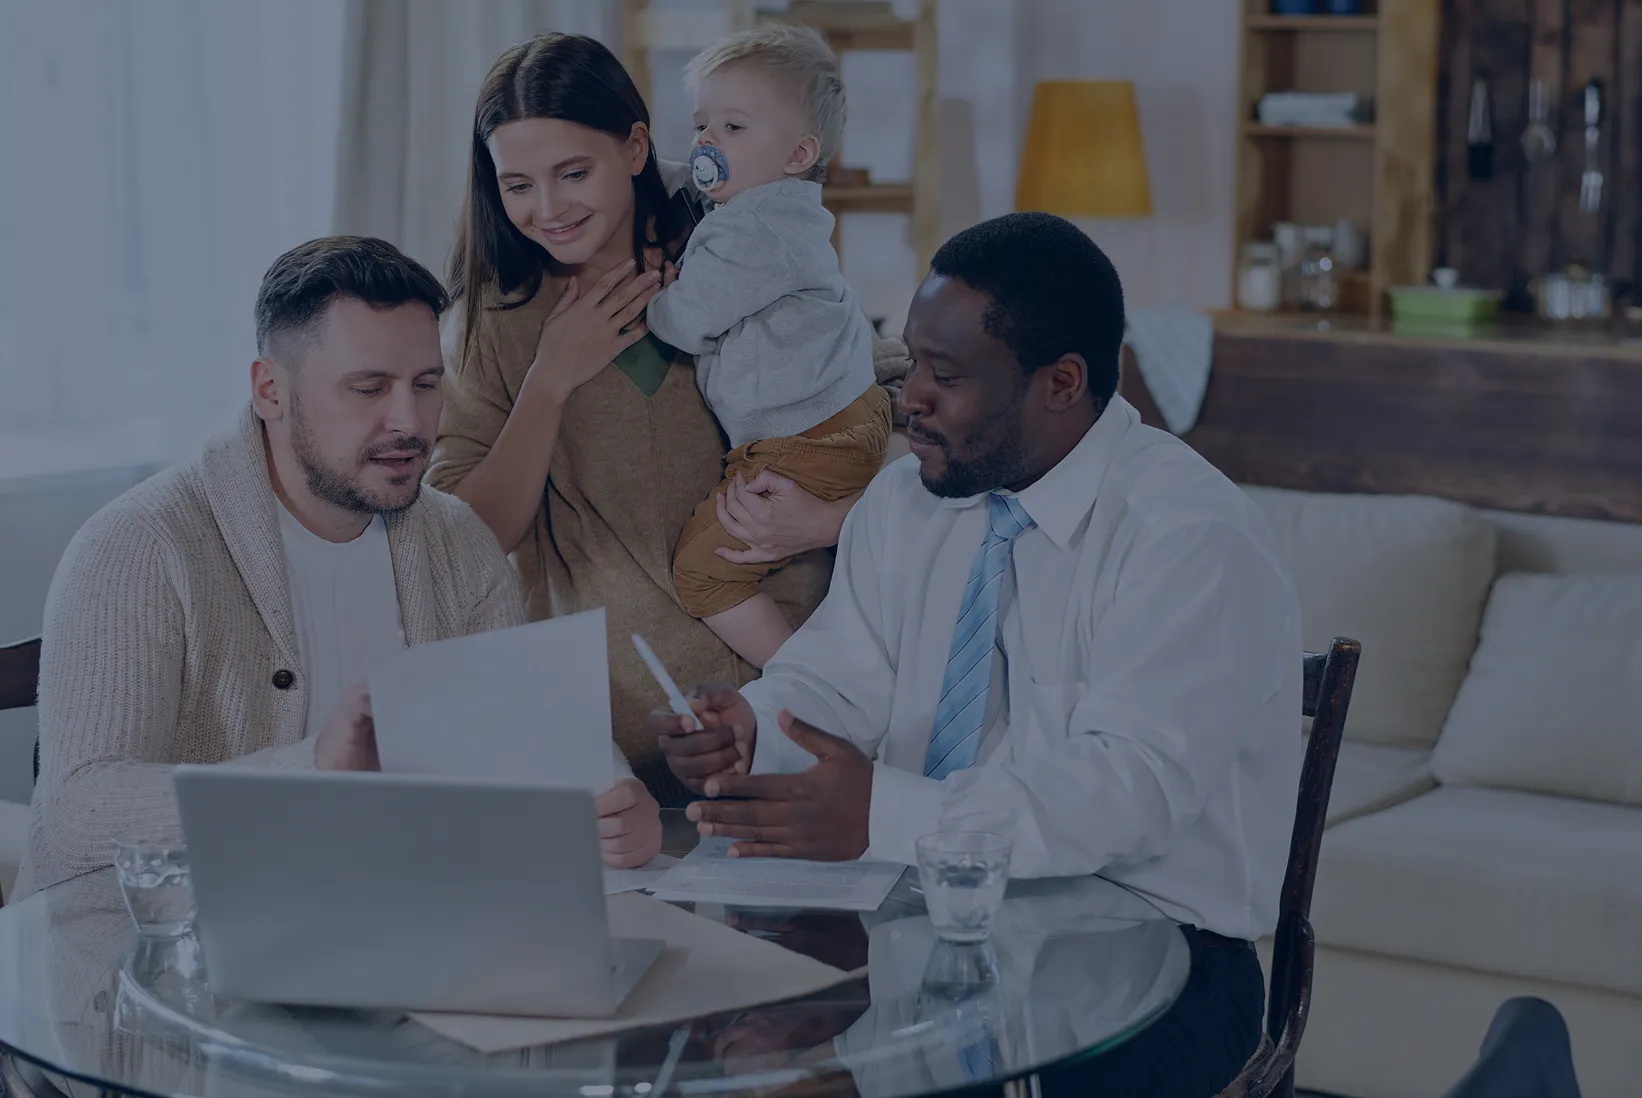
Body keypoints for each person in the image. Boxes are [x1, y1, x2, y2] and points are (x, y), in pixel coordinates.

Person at [651, 213, 1302, 1096]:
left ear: (1061, 383)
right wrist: (751, 732)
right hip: (925, 925)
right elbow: (833, 679)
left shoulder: (1187, 538)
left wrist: (881, 813)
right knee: (717, 1042)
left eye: (944, 376)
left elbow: (1128, 791)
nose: (908, 397)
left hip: (1160, 957)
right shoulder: (906, 502)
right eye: (911, 360)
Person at [16, 236, 661, 900]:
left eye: (426, 385)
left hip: (388, 919)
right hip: (147, 952)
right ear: (270, 390)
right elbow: (77, 811)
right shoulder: (139, 545)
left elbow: (530, 721)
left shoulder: (456, 539)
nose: (409, 423)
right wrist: (317, 768)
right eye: (369, 388)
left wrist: (613, 797)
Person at [428, 32, 909, 805]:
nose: (547, 209)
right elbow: (465, 539)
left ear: (637, 146)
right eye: (517, 185)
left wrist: (833, 519)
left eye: (573, 172)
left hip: (807, 713)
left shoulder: (740, 221)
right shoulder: (495, 320)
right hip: (625, 749)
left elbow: (886, 393)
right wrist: (548, 382)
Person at [645, 25, 891, 669]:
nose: (705, 143)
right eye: (702, 125)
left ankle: (813, 687)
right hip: (850, 412)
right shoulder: (789, 213)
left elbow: (685, 322)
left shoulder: (750, 231)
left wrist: (656, 296)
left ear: (797, 152)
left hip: (801, 440)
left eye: (732, 128)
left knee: (703, 572)